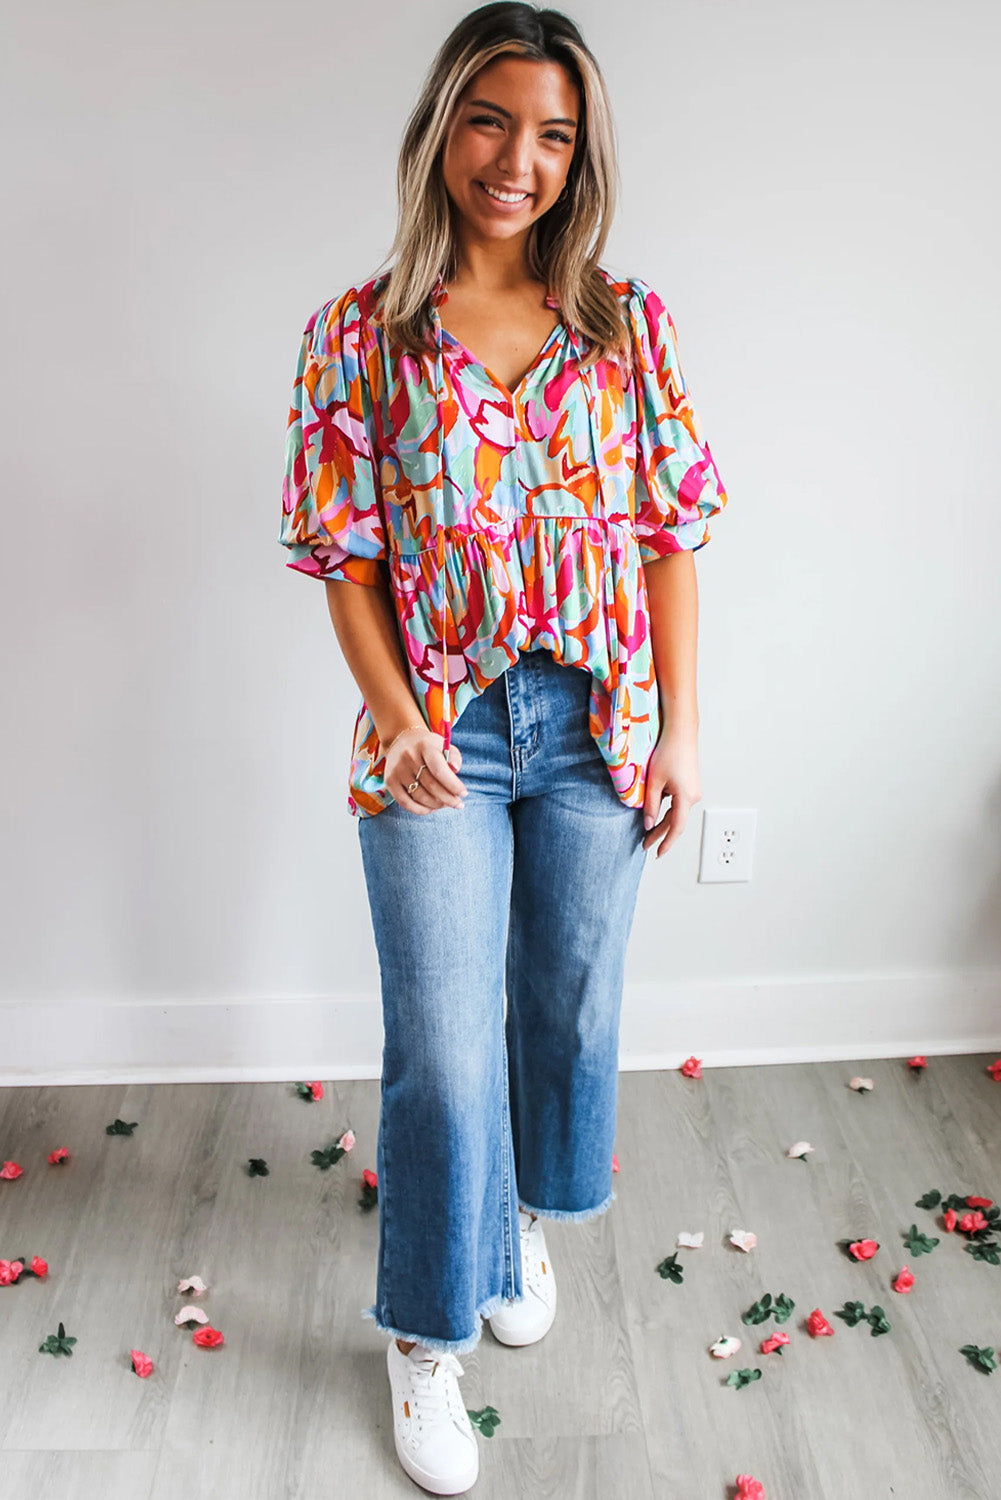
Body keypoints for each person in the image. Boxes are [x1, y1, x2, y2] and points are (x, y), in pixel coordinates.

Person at [279, 4, 728, 1492]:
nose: (515, 159)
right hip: (438, 740)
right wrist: (402, 718)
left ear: (578, 153)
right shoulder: (358, 333)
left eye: (550, 133)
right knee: (441, 1054)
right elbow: (343, 562)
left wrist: (680, 733)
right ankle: (425, 1342)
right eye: (489, 120)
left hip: (597, 733)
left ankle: (507, 1221)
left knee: (565, 1013)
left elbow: (668, 540)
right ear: (439, 127)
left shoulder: (624, 324)